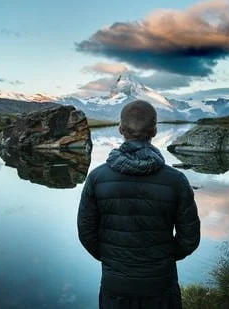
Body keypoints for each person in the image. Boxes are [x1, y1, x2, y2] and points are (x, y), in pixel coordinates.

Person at [77, 100, 201, 309]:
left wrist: (111, 258)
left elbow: (86, 233)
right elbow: (189, 238)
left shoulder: (97, 178)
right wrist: (165, 257)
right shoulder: (176, 180)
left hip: (115, 287)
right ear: (154, 130)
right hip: (161, 286)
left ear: (121, 129)